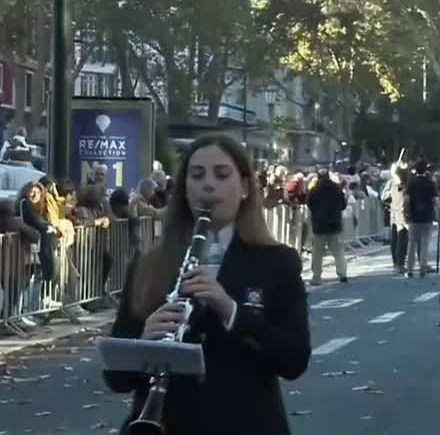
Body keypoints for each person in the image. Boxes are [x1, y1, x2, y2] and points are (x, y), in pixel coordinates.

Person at [103, 134, 310, 435]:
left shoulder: (277, 263)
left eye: (221, 174)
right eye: (196, 175)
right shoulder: (149, 263)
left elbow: (294, 360)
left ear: (245, 187)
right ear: (185, 189)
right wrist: (143, 343)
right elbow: (116, 380)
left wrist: (230, 311)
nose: (208, 185)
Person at [405, 159, 437, 278]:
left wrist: (407, 213)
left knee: (412, 243)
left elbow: (407, 199)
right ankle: (423, 267)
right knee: (424, 243)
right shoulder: (430, 183)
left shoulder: (411, 183)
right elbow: (435, 200)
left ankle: (409, 269)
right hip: (427, 216)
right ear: (425, 169)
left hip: (414, 216)